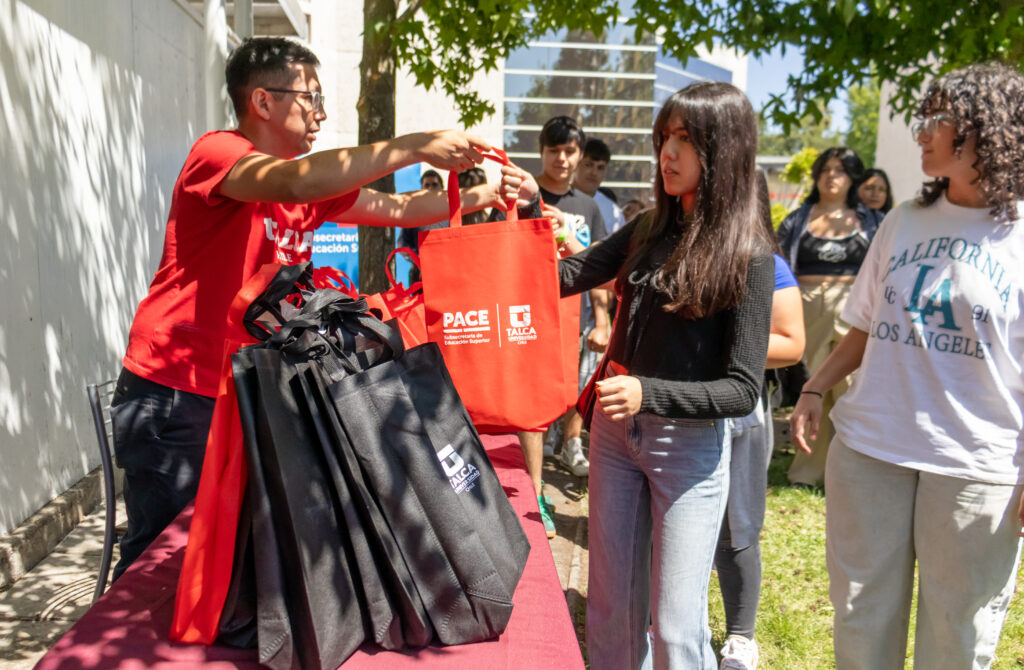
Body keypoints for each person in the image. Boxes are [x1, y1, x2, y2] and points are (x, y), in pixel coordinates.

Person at [110, 36, 526, 580]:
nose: (321, 114)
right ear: (262, 101)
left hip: (243, 394)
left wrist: (481, 194)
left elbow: (398, 207)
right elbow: (296, 177)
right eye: (311, 98)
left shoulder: (308, 189)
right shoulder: (219, 154)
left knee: (222, 561)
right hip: (178, 389)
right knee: (160, 561)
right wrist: (414, 145)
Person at [789, 62, 1024, 670]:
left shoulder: (1019, 235)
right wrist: (816, 385)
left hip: (977, 467)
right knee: (861, 621)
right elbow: (865, 324)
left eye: (937, 119)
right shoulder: (903, 220)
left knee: (958, 635)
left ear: (984, 130)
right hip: (871, 450)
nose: (922, 131)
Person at [554, 81, 774, 670]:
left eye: (685, 139)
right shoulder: (650, 225)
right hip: (614, 438)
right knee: (609, 614)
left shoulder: (749, 253)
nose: (667, 153)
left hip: (688, 449)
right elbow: (571, 272)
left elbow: (742, 389)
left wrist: (649, 392)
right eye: (663, 138)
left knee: (677, 632)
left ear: (722, 149)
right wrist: (527, 217)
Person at [493, 115, 607, 537]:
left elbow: (600, 265)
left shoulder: (588, 206)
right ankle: (536, 492)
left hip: (572, 316)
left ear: (579, 154)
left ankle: (568, 447)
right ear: (541, 151)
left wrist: (603, 318)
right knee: (532, 408)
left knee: (569, 394)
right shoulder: (520, 196)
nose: (562, 158)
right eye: (554, 150)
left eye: (570, 151)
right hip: (526, 314)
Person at [714, 172, 805, 670]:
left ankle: (741, 636)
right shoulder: (681, 252)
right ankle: (669, 621)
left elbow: (791, 344)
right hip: (674, 411)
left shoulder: (768, 265)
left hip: (740, 414)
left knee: (737, 524)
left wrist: (716, 347)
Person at [776, 146, 884, 486]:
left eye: (840, 169)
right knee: (814, 385)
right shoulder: (797, 219)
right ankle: (807, 472)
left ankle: (852, 472)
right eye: (825, 168)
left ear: (852, 177)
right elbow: (777, 263)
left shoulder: (872, 220)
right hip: (806, 307)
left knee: (853, 388)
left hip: (856, 309)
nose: (831, 175)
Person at [575, 139, 627, 233]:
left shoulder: (614, 213)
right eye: (589, 165)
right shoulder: (557, 199)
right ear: (576, 164)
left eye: (600, 168)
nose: (594, 173)